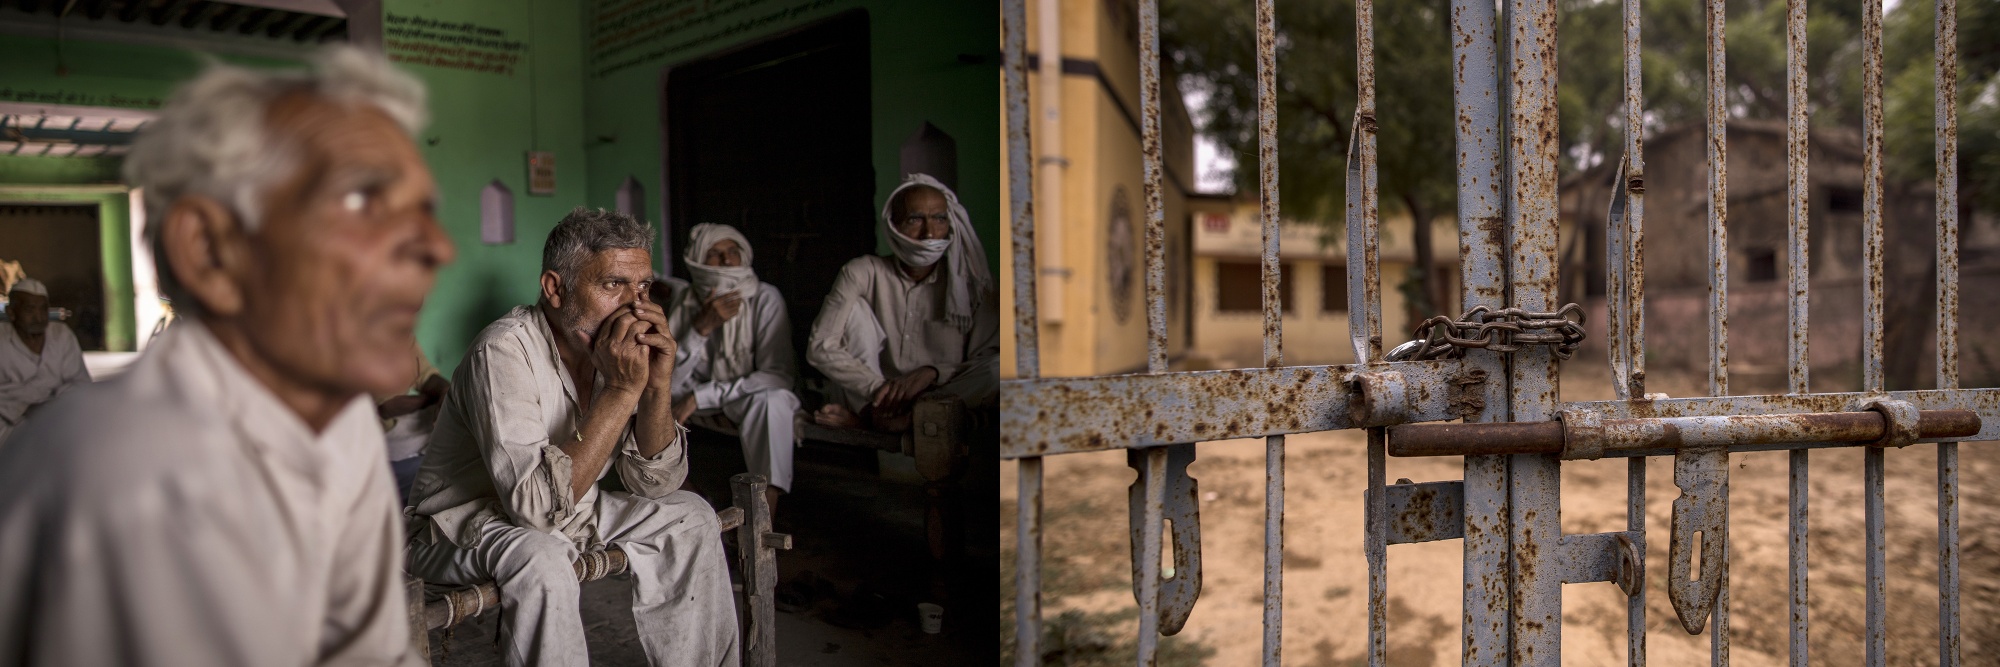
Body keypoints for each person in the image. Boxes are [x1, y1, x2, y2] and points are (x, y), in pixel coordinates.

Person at [0, 48, 443, 665]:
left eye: (422, 212)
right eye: (364, 206)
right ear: (209, 249)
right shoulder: (121, 478)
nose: (434, 248)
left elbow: (373, 652)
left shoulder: (336, 423)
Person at [405, 207, 738, 667]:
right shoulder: (503, 350)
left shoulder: (610, 349)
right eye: (612, 285)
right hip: (459, 528)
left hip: (572, 514)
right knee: (541, 556)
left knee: (692, 516)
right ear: (555, 289)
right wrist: (622, 391)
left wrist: (658, 385)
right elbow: (536, 513)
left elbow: (658, 485)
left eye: (643, 287)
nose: (634, 307)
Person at [808, 173, 998, 432]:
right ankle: (878, 416)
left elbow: (986, 359)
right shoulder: (863, 271)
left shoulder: (973, 284)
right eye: (915, 219)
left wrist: (933, 372)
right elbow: (820, 346)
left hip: (941, 393)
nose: (929, 232)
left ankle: (902, 420)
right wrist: (879, 388)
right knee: (854, 311)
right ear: (893, 225)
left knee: (1000, 368)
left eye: (939, 218)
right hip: (874, 394)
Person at [655, 223, 800, 513]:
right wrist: (701, 328)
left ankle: (763, 513)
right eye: (715, 253)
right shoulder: (687, 301)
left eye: (733, 252)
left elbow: (777, 375)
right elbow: (669, 379)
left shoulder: (764, 298)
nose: (726, 261)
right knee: (646, 401)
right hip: (698, 398)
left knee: (774, 401)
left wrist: (701, 397)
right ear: (697, 260)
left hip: (745, 397)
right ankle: (697, 506)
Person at [0, 278, 91, 445]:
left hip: (55, 417)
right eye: (30, 310)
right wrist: (23, 407)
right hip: (7, 422)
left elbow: (80, 383)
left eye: (43, 309)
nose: (39, 317)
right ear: (11, 312)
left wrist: (50, 407)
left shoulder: (61, 335)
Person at [376, 342, 449, 503]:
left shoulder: (399, 335)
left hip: (396, 421)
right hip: (373, 431)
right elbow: (387, 407)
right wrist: (442, 398)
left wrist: (445, 391)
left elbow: (427, 376)